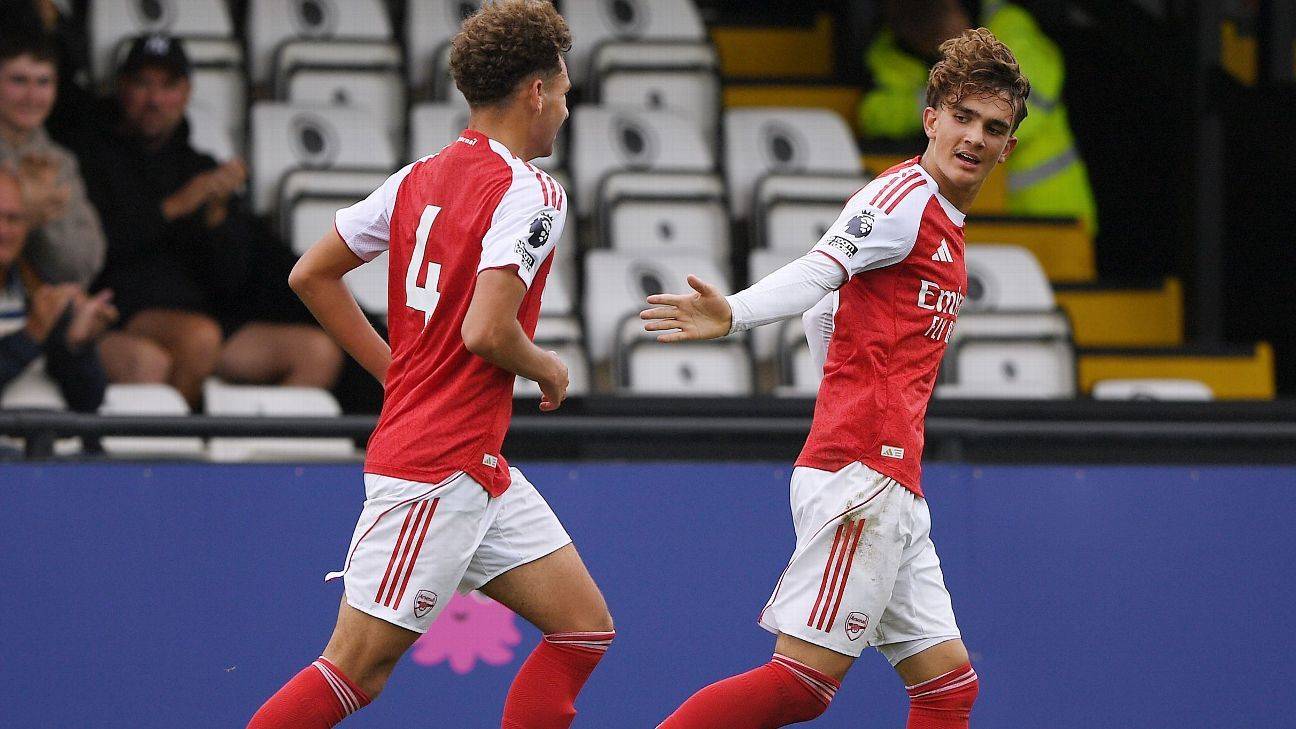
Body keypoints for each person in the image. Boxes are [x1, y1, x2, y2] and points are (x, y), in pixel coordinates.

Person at [643, 28, 1027, 728]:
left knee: (947, 689)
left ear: (1008, 146)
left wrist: (845, 382)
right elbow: (821, 270)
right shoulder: (905, 199)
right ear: (931, 117)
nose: (974, 137)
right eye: (963, 117)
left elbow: (827, 307)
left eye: (993, 128)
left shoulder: (942, 219)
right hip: (861, 473)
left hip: (889, 477)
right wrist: (733, 315)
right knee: (799, 687)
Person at [248, 2, 614, 727]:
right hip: (436, 468)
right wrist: (545, 366)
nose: (566, 109)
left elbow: (311, 274)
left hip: (476, 466)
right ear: (535, 91)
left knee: (583, 627)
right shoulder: (533, 192)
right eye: (564, 92)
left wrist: (396, 374)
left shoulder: (419, 176)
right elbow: (488, 331)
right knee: (353, 671)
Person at [79, 35, 340, 408]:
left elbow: (232, 278)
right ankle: (182, 446)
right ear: (122, 88)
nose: (155, 99)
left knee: (317, 352)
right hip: (126, 310)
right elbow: (98, 249)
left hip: (208, 318)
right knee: (198, 337)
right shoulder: (92, 158)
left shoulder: (201, 167)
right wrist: (176, 206)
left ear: (186, 92)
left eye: (168, 86)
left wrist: (218, 220)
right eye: (143, 84)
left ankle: (248, 446)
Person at [859, 0, 1096, 234]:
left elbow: (1028, 106)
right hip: (968, 224)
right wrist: (940, 98)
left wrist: (953, 103)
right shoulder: (888, 51)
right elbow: (874, 116)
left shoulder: (1007, 24)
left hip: (1052, 217)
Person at [0, 166, 114, 412]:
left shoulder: (38, 290)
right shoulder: (40, 309)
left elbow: (88, 400)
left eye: (13, 219)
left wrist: (76, 345)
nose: (3, 231)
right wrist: (31, 335)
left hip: (55, 433)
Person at [0, 32, 105, 288]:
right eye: (19, 80)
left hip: (37, 301)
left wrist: (41, 222)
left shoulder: (60, 161)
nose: (32, 96)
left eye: (43, 82)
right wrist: (25, 214)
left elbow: (81, 266)